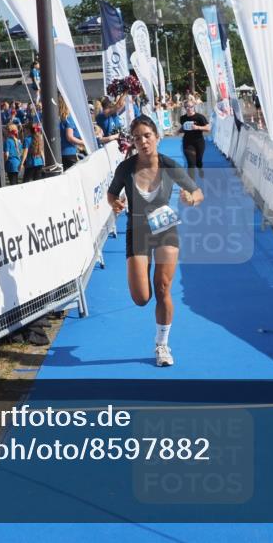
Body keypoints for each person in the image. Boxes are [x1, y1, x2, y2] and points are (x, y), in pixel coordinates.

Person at [107, 116, 204, 367]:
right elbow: (111, 193)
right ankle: (144, 290)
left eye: (147, 135)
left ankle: (162, 345)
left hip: (164, 226)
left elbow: (197, 192)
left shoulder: (170, 165)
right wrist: (115, 203)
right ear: (133, 142)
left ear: (157, 138)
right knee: (141, 298)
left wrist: (190, 199)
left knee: (162, 288)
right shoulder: (125, 169)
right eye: (137, 137)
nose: (143, 141)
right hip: (137, 229)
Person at [178, 97, 211, 181]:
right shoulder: (182, 118)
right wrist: (178, 131)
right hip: (187, 142)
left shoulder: (200, 117)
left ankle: (200, 169)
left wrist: (197, 127)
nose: (189, 108)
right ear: (184, 108)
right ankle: (192, 185)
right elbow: (183, 128)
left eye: (191, 106)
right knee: (191, 163)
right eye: (187, 107)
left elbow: (208, 128)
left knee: (198, 161)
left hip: (199, 142)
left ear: (194, 106)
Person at [59, 99, 85, 170]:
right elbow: (69, 137)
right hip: (69, 153)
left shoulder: (60, 118)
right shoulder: (69, 118)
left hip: (61, 153)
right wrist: (84, 143)